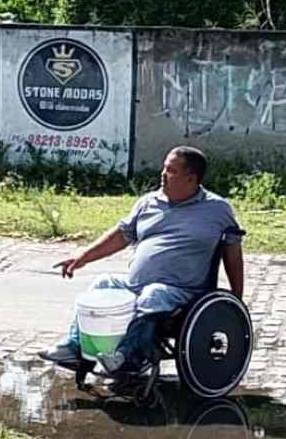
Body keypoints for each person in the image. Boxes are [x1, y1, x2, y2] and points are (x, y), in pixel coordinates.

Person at [39, 146, 245, 376]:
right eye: (164, 168)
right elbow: (120, 236)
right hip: (137, 285)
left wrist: (236, 299)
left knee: (154, 293)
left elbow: (233, 252)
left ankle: (127, 357)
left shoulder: (217, 209)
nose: (162, 174)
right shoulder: (148, 202)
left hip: (185, 291)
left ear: (191, 179)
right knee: (103, 284)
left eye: (170, 170)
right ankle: (74, 347)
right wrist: (82, 258)